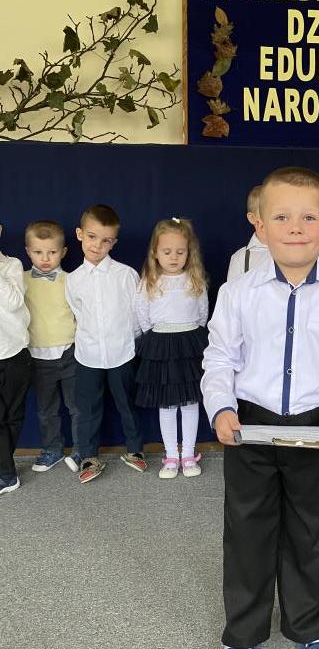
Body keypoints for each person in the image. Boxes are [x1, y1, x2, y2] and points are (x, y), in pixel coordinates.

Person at [201, 166, 319, 649]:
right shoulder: (237, 292)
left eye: (308, 218)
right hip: (249, 426)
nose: (295, 227)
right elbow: (220, 358)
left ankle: (309, 628)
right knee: (247, 531)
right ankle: (242, 634)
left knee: (310, 530)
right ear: (259, 225)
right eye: (280, 217)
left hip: (315, 428)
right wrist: (221, 409)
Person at [65, 204, 145, 484]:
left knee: (126, 403)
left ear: (114, 243)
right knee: (87, 408)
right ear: (79, 234)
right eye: (92, 237)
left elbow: (137, 313)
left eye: (106, 240)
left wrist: (129, 341)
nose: (97, 245)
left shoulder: (126, 275)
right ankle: (89, 456)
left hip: (122, 352)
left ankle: (135, 450)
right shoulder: (73, 279)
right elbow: (77, 312)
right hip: (88, 355)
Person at [135, 217, 208, 478]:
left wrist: (190, 335)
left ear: (189, 252)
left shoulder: (195, 280)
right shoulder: (149, 281)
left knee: (190, 403)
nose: (174, 257)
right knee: (166, 405)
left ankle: (188, 454)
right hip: (161, 345)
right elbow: (142, 315)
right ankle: (171, 456)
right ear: (155, 252)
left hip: (189, 345)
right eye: (167, 252)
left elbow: (202, 314)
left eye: (180, 251)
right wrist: (156, 338)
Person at [24, 220, 81, 473]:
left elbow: (82, 315)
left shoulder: (71, 280)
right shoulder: (21, 279)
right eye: (38, 252)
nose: (45, 258)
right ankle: (52, 449)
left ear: (64, 252)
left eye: (52, 252)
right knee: (46, 409)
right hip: (36, 355)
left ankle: (82, 449)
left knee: (77, 407)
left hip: (70, 352)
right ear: (28, 251)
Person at [0, 222, 31, 495]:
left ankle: (4, 469)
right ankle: (7, 474)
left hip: (14, 352)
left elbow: (13, 302)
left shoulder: (11, 265)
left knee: (12, 416)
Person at [226, 184, 270, 280]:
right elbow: (233, 289)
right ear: (252, 218)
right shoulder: (240, 258)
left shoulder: (293, 252)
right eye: (267, 212)